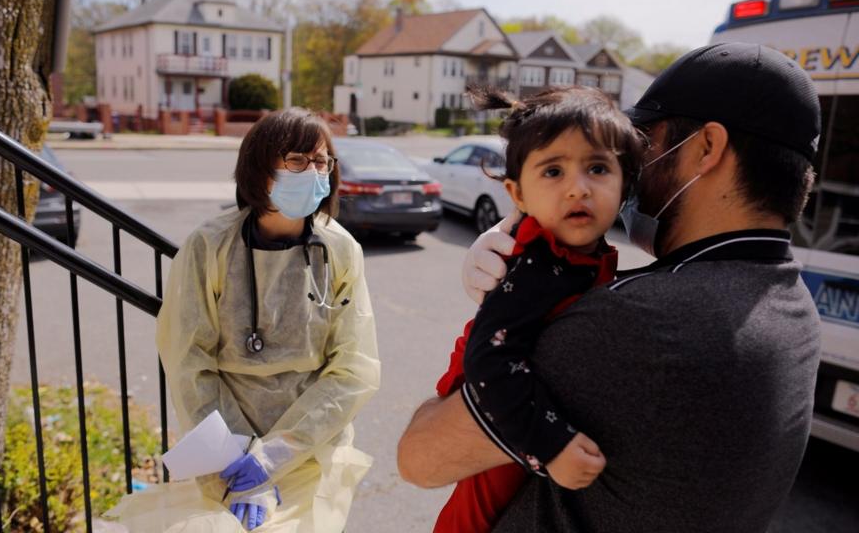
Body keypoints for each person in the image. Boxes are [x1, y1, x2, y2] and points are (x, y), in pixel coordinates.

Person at [397, 42, 823, 533]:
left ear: (706, 148)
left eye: (644, 144)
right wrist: (526, 240)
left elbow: (421, 457)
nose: (632, 170)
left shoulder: (642, 323)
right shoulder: (792, 306)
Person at [106, 108, 380, 533]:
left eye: (321, 161)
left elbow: (352, 369)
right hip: (225, 451)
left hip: (309, 449)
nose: (312, 172)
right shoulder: (209, 246)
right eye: (296, 160)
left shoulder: (340, 250)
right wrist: (238, 459)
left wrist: (274, 455)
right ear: (260, 166)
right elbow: (189, 362)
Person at [432, 86, 643, 533]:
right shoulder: (536, 262)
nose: (577, 189)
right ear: (517, 194)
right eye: (553, 171)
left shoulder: (581, 255)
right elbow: (488, 361)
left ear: (625, 184)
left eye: (598, 168)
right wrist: (552, 446)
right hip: (496, 430)